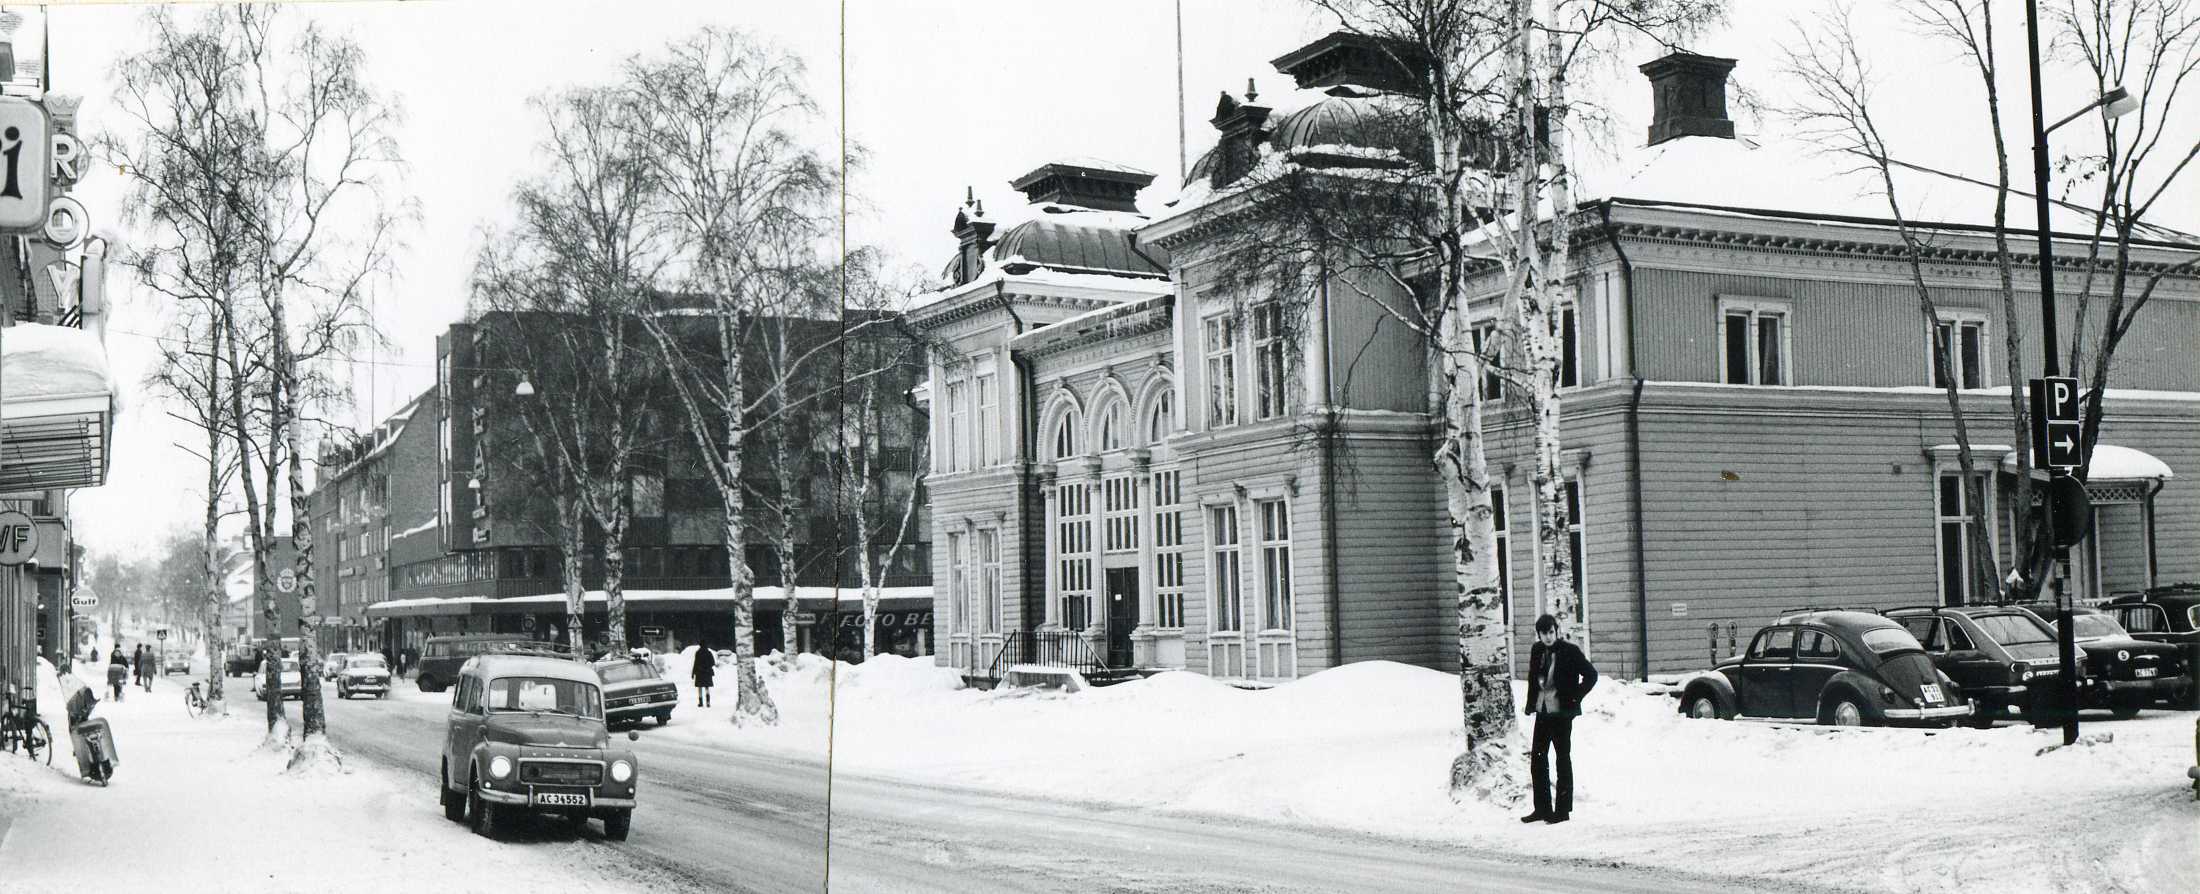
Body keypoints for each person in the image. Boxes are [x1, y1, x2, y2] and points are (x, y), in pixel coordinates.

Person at [1522, 613, 1597, 825]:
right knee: (1538, 758)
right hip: (1543, 712)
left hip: (1562, 714)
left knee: (1562, 759)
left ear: (1557, 631)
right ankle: (1542, 808)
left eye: (1551, 632)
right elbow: (1532, 678)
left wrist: (1575, 697)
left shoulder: (1570, 651)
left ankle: (1562, 810)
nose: (1548, 637)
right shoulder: (1537, 650)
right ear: (1539, 635)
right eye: (1544, 634)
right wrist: (1530, 704)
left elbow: (1591, 675)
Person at [691, 641, 715, 708]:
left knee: (700, 687)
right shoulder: (709, 653)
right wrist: (707, 666)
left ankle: (700, 702)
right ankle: (708, 702)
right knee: (707, 687)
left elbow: (695, 663)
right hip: (707, 672)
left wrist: (693, 673)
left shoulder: (698, 653)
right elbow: (713, 662)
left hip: (699, 672)